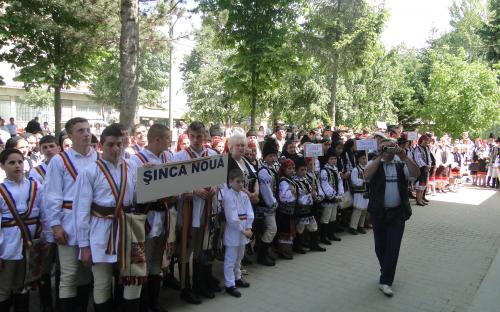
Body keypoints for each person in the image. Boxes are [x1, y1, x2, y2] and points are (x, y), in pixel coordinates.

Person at [75, 124, 143, 312]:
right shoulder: (89, 172)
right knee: (102, 282)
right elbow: (81, 212)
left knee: (132, 279)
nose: (115, 149)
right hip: (101, 231)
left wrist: (151, 177)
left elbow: (139, 196)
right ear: (100, 147)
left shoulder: (132, 166)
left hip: (129, 229)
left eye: (119, 144)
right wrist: (84, 246)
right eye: (110, 145)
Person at [44, 117, 98, 311]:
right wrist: (56, 225)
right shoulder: (59, 161)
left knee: (86, 273)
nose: (86, 133)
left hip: (92, 220)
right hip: (68, 221)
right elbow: (52, 195)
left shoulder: (98, 158)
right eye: (80, 130)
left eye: (88, 129)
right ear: (70, 135)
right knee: (68, 274)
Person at [363, 139, 419, 297]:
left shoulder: (400, 164)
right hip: (379, 213)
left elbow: (416, 173)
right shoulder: (374, 163)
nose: (389, 149)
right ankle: (386, 270)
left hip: (397, 213)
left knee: (393, 248)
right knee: (380, 247)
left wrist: (404, 155)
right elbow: (366, 176)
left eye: (391, 146)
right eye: (385, 147)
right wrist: (380, 155)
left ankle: (386, 280)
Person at [130, 124, 175, 312]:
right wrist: (145, 179)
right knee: (144, 262)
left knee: (158, 259)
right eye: (167, 138)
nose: (170, 142)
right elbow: (132, 194)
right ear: (157, 139)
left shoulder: (169, 157)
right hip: (146, 218)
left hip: (164, 215)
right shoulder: (136, 161)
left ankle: (154, 302)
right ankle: (143, 304)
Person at [173, 121, 219, 304]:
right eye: (192, 136)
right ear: (188, 136)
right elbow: (174, 184)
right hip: (188, 210)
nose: (196, 140)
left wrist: (215, 185)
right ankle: (185, 288)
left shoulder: (213, 155)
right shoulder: (179, 157)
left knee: (202, 248)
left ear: (205, 136)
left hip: (207, 209)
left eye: (199, 136)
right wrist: (192, 190)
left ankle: (199, 284)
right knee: (187, 248)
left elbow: (220, 178)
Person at [0, 149, 43, 311]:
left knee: (25, 283)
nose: (17, 166)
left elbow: (43, 212)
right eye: (11, 163)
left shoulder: (35, 186)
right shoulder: (1, 190)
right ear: (2, 166)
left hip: (30, 244)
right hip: (8, 247)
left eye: (20, 161)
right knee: (4, 286)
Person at [29, 135, 60, 312]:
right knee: (45, 267)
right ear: (41, 150)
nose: (49, 150)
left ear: (58, 148)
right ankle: (46, 302)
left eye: (52, 146)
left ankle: (62, 301)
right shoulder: (36, 171)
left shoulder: (65, 167)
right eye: (45, 147)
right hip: (46, 224)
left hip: (63, 222)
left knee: (63, 267)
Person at [223, 168, 253, 298]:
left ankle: (237, 277)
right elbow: (232, 218)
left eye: (242, 182)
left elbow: (250, 212)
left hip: (245, 231)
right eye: (238, 182)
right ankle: (229, 284)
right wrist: (243, 230)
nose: (241, 184)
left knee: (240, 257)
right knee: (231, 258)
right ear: (230, 182)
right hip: (234, 232)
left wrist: (249, 228)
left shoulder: (244, 195)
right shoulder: (228, 196)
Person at [293, 157, 325, 252]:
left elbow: (311, 191)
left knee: (313, 225)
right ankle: (298, 246)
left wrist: (315, 196)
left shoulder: (305, 179)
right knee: (300, 228)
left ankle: (314, 244)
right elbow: (300, 199)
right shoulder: (295, 182)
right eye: (302, 170)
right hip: (301, 209)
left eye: (305, 169)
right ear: (296, 170)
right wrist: (310, 195)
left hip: (309, 208)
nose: (304, 172)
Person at [256, 139, 279, 266]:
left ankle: (265, 253)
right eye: (270, 156)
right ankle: (261, 255)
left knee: (270, 229)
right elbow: (266, 191)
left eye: (274, 155)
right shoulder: (264, 171)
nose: (273, 158)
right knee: (271, 229)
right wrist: (273, 203)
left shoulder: (270, 169)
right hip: (266, 206)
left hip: (270, 205)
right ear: (265, 157)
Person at [319, 148, 343, 244]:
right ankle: (323, 237)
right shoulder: (324, 171)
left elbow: (340, 181)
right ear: (327, 160)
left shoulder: (336, 169)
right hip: (329, 198)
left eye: (335, 159)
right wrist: (332, 195)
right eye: (331, 159)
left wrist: (340, 193)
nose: (334, 161)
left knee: (333, 216)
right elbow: (324, 184)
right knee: (326, 217)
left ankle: (331, 234)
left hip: (336, 197)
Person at [349, 151, 369, 235]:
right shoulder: (355, 169)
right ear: (358, 160)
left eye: (365, 158)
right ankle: (353, 227)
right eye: (363, 158)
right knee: (358, 209)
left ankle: (361, 226)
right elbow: (354, 181)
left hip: (366, 191)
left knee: (364, 209)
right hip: (359, 192)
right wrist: (363, 181)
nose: (365, 160)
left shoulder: (368, 168)